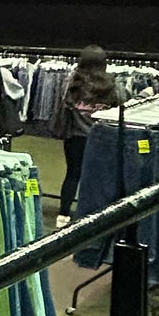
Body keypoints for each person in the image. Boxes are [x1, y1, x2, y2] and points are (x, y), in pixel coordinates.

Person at [55, 47, 120, 224]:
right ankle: (93, 213)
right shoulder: (112, 85)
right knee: (98, 175)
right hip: (102, 137)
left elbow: (63, 104)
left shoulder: (72, 83)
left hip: (75, 136)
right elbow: (121, 106)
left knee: (72, 174)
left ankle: (63, 214)